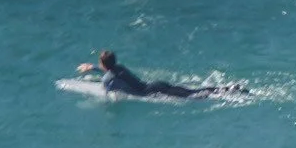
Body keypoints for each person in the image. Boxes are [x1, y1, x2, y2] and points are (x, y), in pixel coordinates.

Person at [77, 49, 239, 100]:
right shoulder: (120, 67)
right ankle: (226, 88)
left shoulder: (108, 79)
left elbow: (108, 90)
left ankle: (225, 93)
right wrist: (92, 68)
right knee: (191, 91)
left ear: (104, 65)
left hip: (151, 93)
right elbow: (111, 73)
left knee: (192, 97)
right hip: (155, 84)